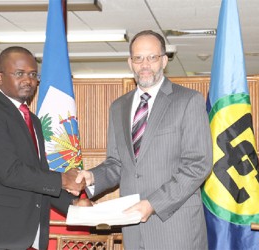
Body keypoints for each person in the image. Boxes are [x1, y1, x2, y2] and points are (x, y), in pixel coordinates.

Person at [76, 30, 213, 249]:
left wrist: (153, 204)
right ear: (130, 63)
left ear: (164, 61)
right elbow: (117, 163)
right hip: (133, 230)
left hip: (176, 229)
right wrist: (93, 176)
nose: (145, 64)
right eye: (138, 58)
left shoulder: (188, 101)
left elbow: (198, 164)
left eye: (152, 57)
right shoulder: (118, 107)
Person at [0, 46, 89, 250]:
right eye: (19, 73)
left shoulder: (32, 120)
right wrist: (63, 179)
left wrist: (72, 204)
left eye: (33, 74)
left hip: (15, 235)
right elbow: (10, 172)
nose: (28, 80)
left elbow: (37, 176)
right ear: (0, 77)